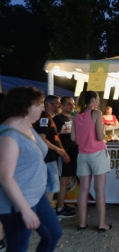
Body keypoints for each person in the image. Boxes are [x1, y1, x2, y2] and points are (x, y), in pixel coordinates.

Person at [0, 87, 62, 251]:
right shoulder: (9, 136)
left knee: (53, 234)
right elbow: (5, 177)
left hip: (36, 196)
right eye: (39, 104)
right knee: (18, 248)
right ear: (25, 107)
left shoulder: (27, 126)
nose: (42, 108)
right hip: (16, 204)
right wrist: (25, 211)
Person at [71, 91, 112, 233]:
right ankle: (101, 225)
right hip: (98, 154)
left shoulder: (76, 115)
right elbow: (100, 137)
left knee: (83, 190)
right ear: (93, 100)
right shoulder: (96, 113)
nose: (99, 101)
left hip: (82, 155)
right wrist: (104, 131)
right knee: (99, 190)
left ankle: (82, 223)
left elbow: (73, 139)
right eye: (98, 99)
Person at [33, 95, 70, 203]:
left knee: (52, 185)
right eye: (58, 103)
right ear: (49, 105)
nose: (60, 105)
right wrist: (58, 150)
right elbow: (41, 138)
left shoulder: (50, 118)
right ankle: (46, 215)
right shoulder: (44, 118)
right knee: (52, 185)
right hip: (48, 158)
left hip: (51, 157)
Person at [53, 96, 78, 218]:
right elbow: (55, 138)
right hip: (65, 154)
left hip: (74, 153)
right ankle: (60, 208)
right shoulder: (58, 119)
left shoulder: (72, 118)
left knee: (67, 180)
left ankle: (62, 204)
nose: (72, 106)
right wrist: (63, 153)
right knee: (63, 181)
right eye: (68, 104)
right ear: (62, 105)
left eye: (73, 104)